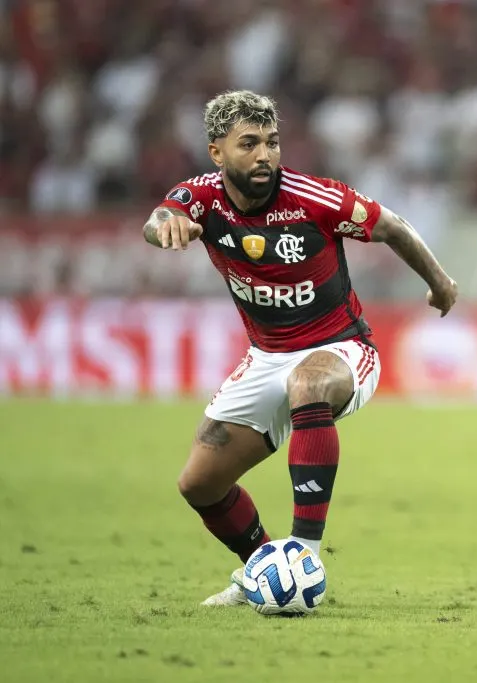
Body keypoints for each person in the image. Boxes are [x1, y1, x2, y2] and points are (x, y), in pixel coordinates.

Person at [141, 90, 457, 606]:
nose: (265, 155)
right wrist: (165, 228)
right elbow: (158, 221)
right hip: (265, 357)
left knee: (308, 382)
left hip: (343, 347)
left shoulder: (316, 199)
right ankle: (265, 572)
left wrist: (440, 283)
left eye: (272, 142)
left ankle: (303, 555)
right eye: (249, 144)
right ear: (217, 152)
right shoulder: (199, 197)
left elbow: (392, 227)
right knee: (199, 484)